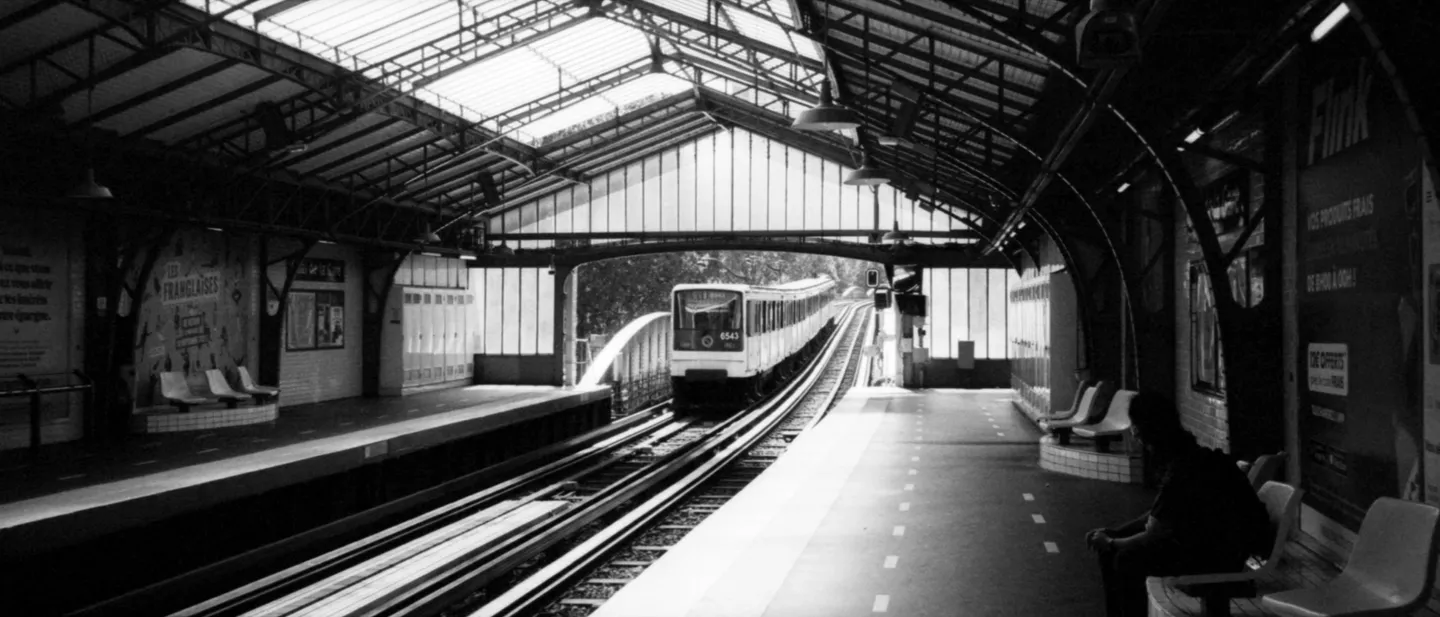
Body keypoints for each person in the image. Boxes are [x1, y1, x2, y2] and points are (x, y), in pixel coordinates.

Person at [1085, 392, 1272, 617]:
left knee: (1126, 559)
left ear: (1146, 429)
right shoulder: (1187, 454)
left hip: (1220, 555)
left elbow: (1154, 531)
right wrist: (1116, 534)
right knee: (1118, 554)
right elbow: (1159, 515)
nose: (1133, 431)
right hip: (1224, 545)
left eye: (1135, 424)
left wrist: (1112, 542)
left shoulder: (1181, 468)